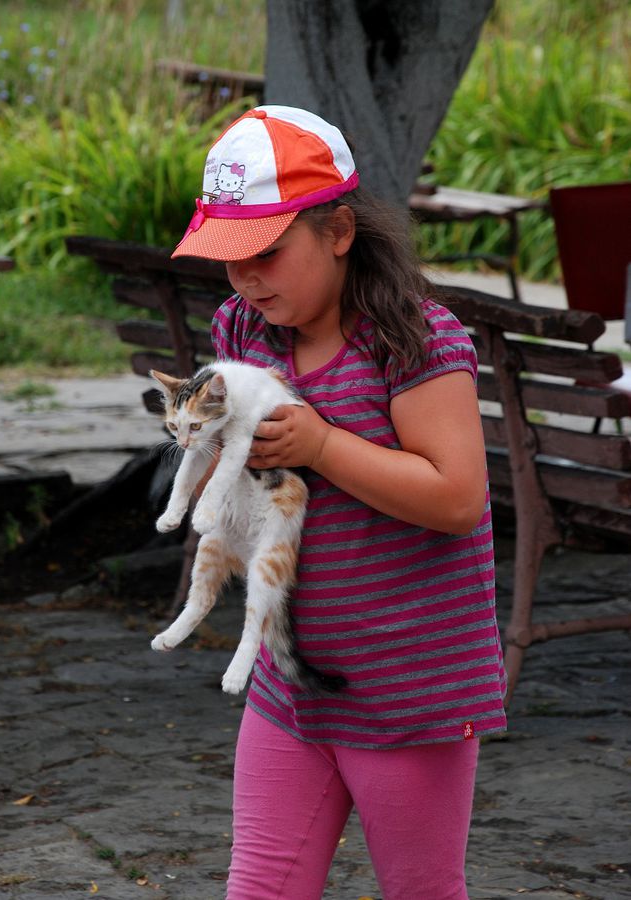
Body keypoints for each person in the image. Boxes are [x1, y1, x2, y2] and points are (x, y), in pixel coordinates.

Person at [171, 105, 507, 900]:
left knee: (420, 889)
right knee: (259, 886)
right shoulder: (244, 327)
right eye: (229, 258)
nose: (247, 278)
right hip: (292, 685)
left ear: (340, 231)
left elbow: (457, 498)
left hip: (409, 690)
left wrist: (322, 446)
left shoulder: (412, 341)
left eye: (266, 252)